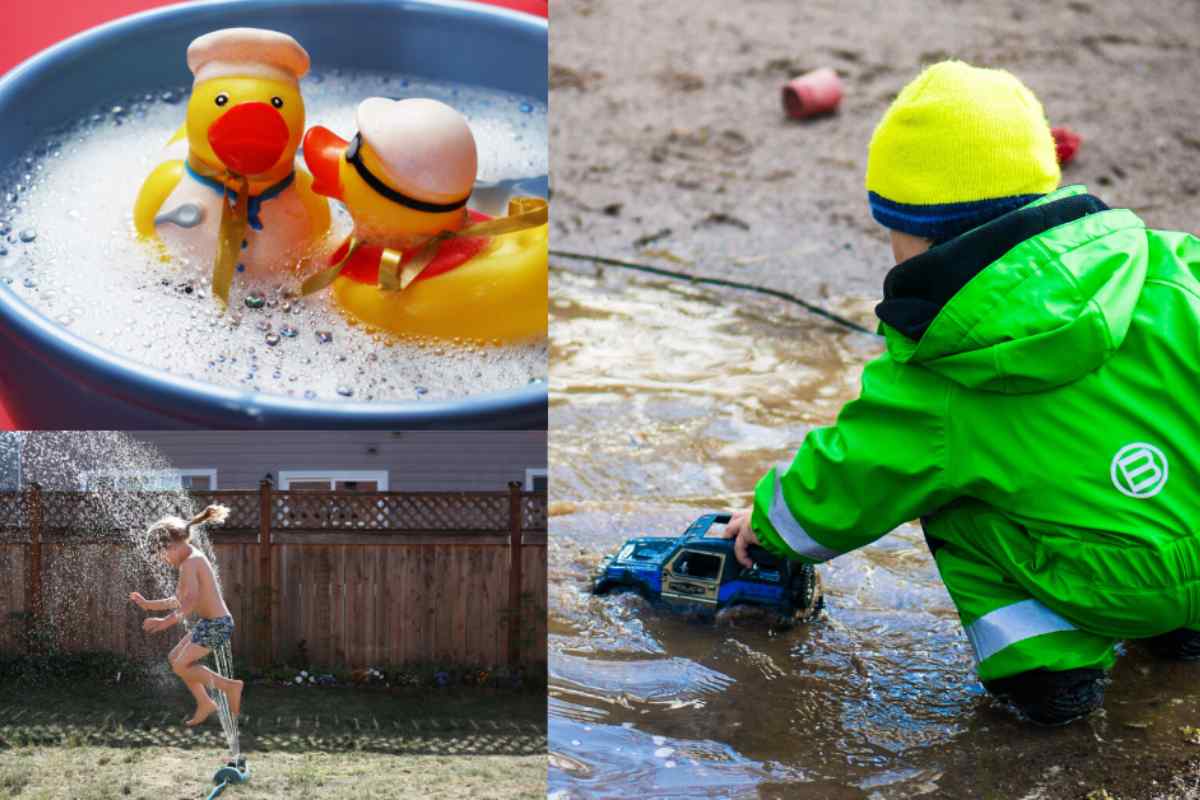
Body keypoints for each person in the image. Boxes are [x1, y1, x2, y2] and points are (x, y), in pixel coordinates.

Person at [721, 60, 1200, 725]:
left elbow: (854, 476)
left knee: (947, 496)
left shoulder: (937, 370)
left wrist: (770, 524)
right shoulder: (1174, 265)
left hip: (1107, 584)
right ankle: (1183, 639)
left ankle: (1047, 678)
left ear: (914, 235)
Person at [131, 504, 244, 727]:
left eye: (162, 554)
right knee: (175, 659)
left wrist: (164, 622)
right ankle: (205, 702)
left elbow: (190, 602)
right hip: (210, 623)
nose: (164, 560)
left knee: (181, 665)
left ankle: (229, 687)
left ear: (172, 545)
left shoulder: (191, 563)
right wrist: (148, 605)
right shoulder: (189, 561)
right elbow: (178, 600)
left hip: (218, 625)